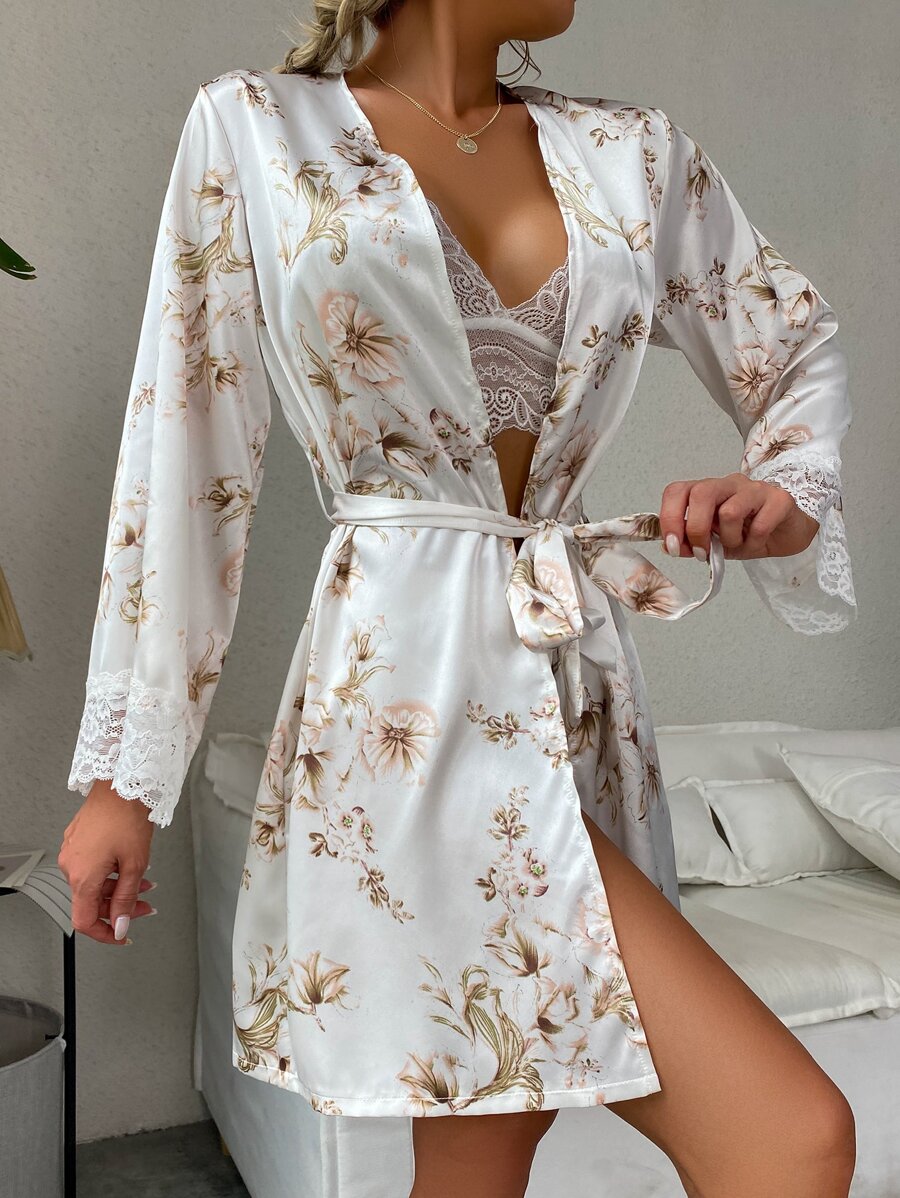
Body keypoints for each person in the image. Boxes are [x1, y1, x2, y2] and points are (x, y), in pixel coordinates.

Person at [59, 2, 859, 1195]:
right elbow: (186, 447)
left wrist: (784, 493)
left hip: (570, 692)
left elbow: (795, 347)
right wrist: (125, 780)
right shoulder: (256, 128)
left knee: (486, 1143)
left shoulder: (635, 153)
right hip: (399, 707)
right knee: (790, 1137)